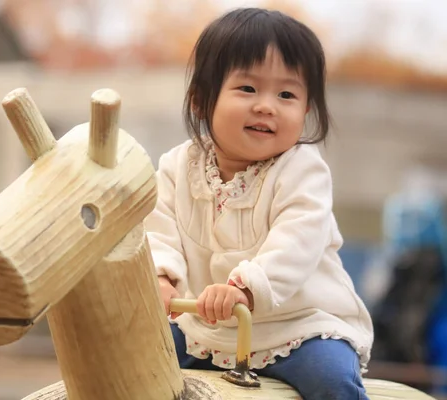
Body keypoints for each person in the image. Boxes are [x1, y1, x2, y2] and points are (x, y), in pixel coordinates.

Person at [145, 7, 374, 400]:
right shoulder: (176, 167)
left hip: (298, 326)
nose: (267, 105)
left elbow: (296, 243)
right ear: (201, 100)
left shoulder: (303, 170)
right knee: (140, 360)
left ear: (305, 110)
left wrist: (245, 289)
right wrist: (162, 279)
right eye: (248, 89)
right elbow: (157, 231)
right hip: (208, 326)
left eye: (287, 94)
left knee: (331, 380)